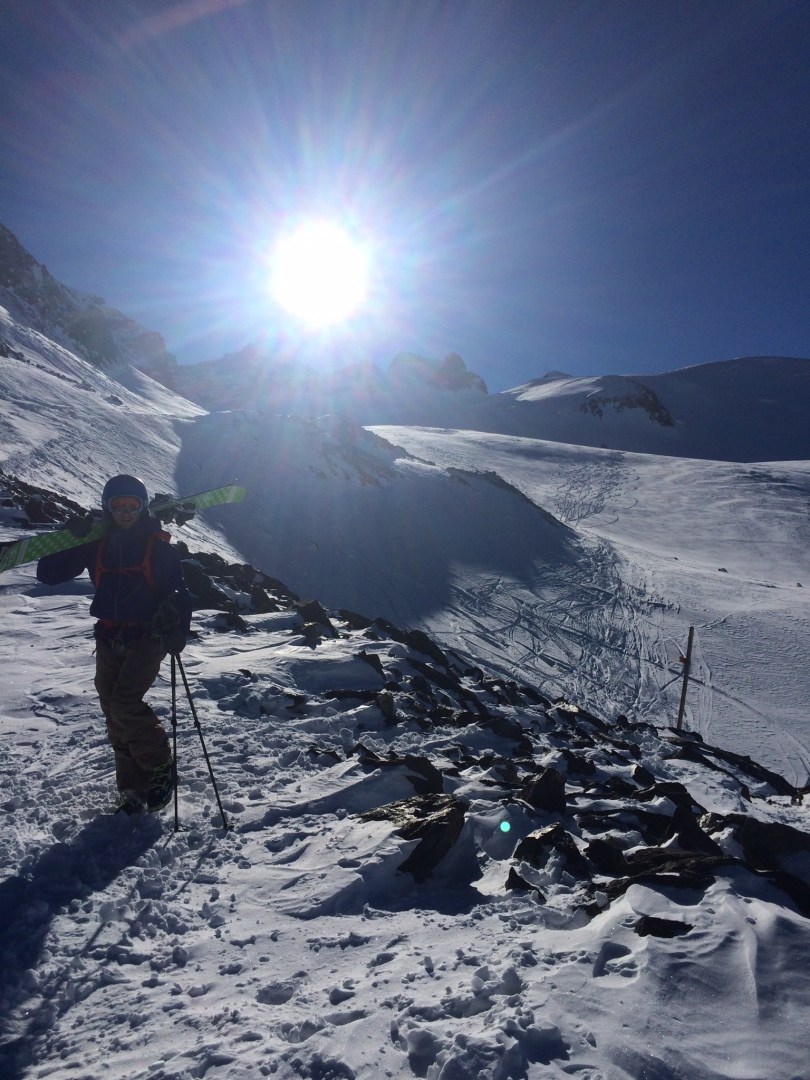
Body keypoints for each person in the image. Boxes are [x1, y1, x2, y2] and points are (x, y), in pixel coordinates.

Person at [36, 474, 192, 813]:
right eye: (117, 505)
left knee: (123, 705)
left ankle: (159, 765)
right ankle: (133, 790)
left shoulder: (158, 547)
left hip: (149, 635)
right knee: (113, 713)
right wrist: (68, 537)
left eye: (131, 506)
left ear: (142, 507)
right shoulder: (96, 544)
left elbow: (179, 591)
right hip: (108, 635)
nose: (124, 512)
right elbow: (48, 574)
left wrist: (180, 628)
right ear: (107, 508)